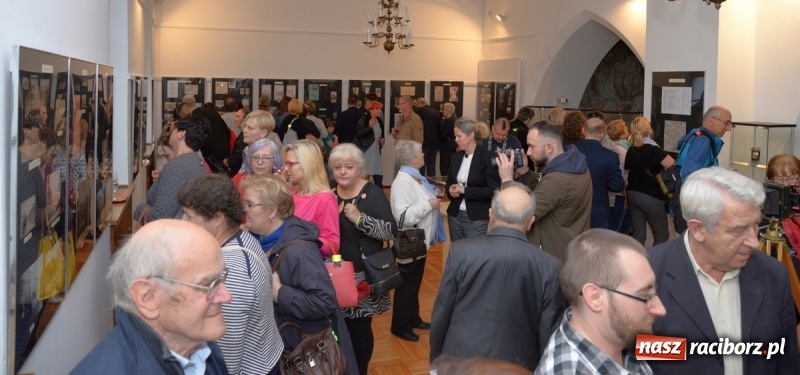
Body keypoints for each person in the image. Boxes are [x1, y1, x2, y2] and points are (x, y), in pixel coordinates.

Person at [648, 167, 800, 374]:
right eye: (738, 230)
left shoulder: (774, 275)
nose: (754, 242)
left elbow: (786, 363)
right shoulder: (646, 276)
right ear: (698, 229)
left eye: (756, 225)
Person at [430, 182, 563, 371]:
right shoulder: (550, 266)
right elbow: (548, 330)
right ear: (530, 222)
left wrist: (435, 363)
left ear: (491, 215)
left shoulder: (460, 253)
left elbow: (442, 314)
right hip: (517, 367)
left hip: (459, 362)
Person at [70, 220, 231, 374]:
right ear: (147, 297)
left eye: (221, 278)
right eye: (208, 284)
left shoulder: (201, 347)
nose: (227, 296)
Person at [240, 175, 359, 375]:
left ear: (272, 211)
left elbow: (324, 301)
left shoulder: (299, 251)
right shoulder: (261, 240)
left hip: (306, 354)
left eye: (250, 204)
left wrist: (280, 294)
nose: (244, 209)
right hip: (288, 347)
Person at [177, 174, 283, 375]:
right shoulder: (244, 238)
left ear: (218, 218)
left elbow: (227, 358)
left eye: (190, 216)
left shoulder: (230, 274)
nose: (183, 222)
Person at [535, 229, 666, 375]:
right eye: (645, 296)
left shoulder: (621, 336)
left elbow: (677, 350)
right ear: (595, 298)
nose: (660, 309)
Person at [330, 144, 397, 375]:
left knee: (359, 329)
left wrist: (360, 219)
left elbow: (390, 231)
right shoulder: (329, 192)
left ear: (359, 168)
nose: (342, 172)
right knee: (338, 327)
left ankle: (360, 370)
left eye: (349, 167)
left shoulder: (372, 192)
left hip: (362, 277)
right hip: (334, 273)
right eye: (338, 167)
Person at [500, 121, 591, 262]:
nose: (528, 152)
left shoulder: (557, 179)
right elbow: (546, 193)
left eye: (531, 146)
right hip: (569, 250)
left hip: (551, 258)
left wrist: (506, 179)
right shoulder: (575, 167)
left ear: (549, 147)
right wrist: (525, 172)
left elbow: (517, 215)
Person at [391, 140, 444, 342]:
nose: (424, 154)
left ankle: (413, 318)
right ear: (413, 159)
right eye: (421, 152)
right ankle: (400, 326)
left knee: (414, 284)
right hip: (410, 243)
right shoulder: (403, 182)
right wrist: (429, 204)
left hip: (419, 242)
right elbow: (402, 217)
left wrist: (432, 195)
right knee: (407, 287)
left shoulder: (415, 177)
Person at [134, 114, 209, 222]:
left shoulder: (177, 166)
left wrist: (140, 209)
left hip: (173, 231)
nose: (170, 133)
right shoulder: (196, 161)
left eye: (174, 129)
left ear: (181, 134)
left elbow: (160, 216)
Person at [672, 106, 732, 233]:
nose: (728, 128)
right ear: (711, 120)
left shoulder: (696, 135)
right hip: (693, 204)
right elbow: (689, 174)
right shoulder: (703, 141)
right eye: (726, 123)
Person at [280, 139, 340, 257]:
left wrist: (301, 239)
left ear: (308, 165)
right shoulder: (289, 192)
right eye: (285, 163)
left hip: (305, 262)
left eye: (291, 164)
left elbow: (332, 246)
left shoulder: (325, 199)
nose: (286, 169)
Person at [445, 118, 500, 241]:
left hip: (476, 217)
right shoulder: (456, 157)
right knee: (457, 250)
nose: (456, 140)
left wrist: (464, 190)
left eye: (459, 136)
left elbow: (493, 190)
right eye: (455, 136)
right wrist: (450, 190)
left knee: (475, 251)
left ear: (471, 135)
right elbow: (449, 182)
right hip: (455, 214)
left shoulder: (488, 157)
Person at [624, 117, 674, 246]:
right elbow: (673, 166)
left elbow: (627, 171)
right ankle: (656, 260)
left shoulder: (631, 150)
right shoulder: (654, 150)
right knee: (661, 236)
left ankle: (635, 259)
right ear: (649, 130)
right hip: (651, 195)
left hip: (632, 194)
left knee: (639, 235)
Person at [575, 116, 625, 229]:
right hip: (599, 212)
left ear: (583, 130)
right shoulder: (610, 156)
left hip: (574, 210)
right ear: (602, 133)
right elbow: (617, 186)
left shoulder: (571, 151)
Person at [606, 119, 631, 234]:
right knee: (618, 229)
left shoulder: (609, 147)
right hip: (620, 194)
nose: (627, 128)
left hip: (612, 194)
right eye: (625, 127)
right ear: (620, 133)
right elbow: (623, 174)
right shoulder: (623, 150)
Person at [192, 107, 232, 174]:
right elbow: (227, 132)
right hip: (224, 151)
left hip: (210, 156)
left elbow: (201, 138)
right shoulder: (214, 114)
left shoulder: (197, 116)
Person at [355, 100, 384, 187]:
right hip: (366, 152)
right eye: (377, 108)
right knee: (364, 177)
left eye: (380, 109)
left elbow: (378, 135)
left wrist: (382, 140)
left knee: (378, 177)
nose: (379, 111)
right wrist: (369, 127)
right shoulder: (364, 119)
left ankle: (378, 194)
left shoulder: (379, 121)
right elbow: (359, 134)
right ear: (371, 110)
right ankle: (361, 194)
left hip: (376, 152)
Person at [416, 97, 442, 176]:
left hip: (423, 142)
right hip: (434, 143)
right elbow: (440, 128)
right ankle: (432, 182)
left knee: (421, 166)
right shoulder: (436, 112)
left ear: (419, 104)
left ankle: (421, 183)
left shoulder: (419, 111)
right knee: (431, 166)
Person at [438, 102, 458, 177]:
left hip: (446, 147)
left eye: (443, 110)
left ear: (447, 110)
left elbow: (443, 134)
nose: (442, 111)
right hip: (452, 146)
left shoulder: (448, 121)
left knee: (444, 167)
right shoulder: (454, 120)